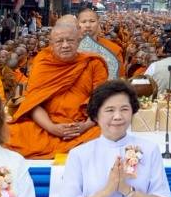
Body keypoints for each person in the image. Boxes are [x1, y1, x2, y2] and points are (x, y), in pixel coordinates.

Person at [7, 16, 111, 157]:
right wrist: (52, 128)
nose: (65, 45)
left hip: (83, 125)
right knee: (9, 135)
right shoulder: (43, 62)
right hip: (46, 125)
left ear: (79, 41)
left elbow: (101, 101)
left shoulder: (94, 63)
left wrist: (85, 126)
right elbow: (32, 102)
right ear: (51, 43)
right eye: (59, 41)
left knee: (108, 135)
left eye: (70, 40)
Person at [75, 7, 125, 79]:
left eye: (92, 21)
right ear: (77, 23)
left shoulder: (113, 49)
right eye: (83, 22)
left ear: (98, 22)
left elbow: (119, 79)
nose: (88, 25)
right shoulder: (70, 48)